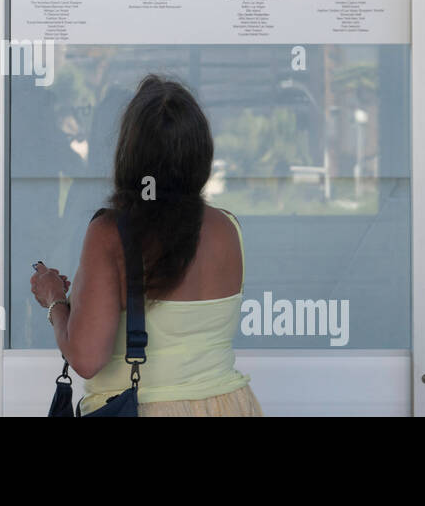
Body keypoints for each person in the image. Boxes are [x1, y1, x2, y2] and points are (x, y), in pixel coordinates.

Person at [30, 73, 263, 417]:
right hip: (230, 405)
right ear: (200, 152)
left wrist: (55, 302)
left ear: (130, 153)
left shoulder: (110, 233)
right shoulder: (227, 227)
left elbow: (86, 357)